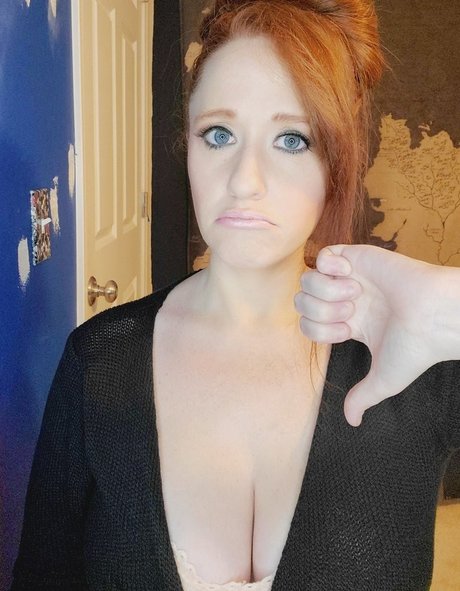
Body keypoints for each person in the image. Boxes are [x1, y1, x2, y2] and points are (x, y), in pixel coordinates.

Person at [11, 0, 460, 589]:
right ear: (188, 143)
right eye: (219, 134)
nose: (245, 181)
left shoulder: (415, 363)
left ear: (338, 159)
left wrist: (451, 310)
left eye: (292, 139)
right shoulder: (99, 362)